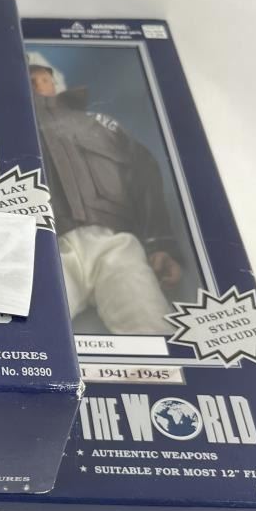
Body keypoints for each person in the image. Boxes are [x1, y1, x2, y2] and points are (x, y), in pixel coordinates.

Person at [28, 51, 182, 335]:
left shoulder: (99, 123)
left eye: (44, 79)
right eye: (30, 80)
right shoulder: (5, 130)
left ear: (55, 82)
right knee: (22, 337)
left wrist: (160, 243)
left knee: (150, 326)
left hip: (113, 244)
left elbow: (144, 175)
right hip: (43, 249)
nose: (38, 86)